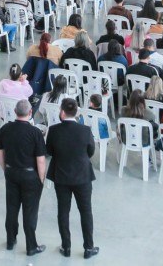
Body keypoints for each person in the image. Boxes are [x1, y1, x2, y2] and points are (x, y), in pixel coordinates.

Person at [46, 97, 98, 260]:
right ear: (76, 112)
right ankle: (88, 247)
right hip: (82, 176)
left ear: (62, 112)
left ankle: (66, 246)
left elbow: (49, 151)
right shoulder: (85, 130)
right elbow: (90, 151)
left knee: (63, 211)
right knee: (86, 212)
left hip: (61, 176)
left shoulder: (54, 130)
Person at [0, 98, 47, 255]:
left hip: (11, 173)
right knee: (30, 212)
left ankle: (11, 240)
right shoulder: (35, 133)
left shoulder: (5, 129)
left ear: (15, 112)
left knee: (11, 208)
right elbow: (40, 160)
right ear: (30, 113)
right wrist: (41, 179)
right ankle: (31, 246)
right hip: (30, 175)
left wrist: (6, 169)